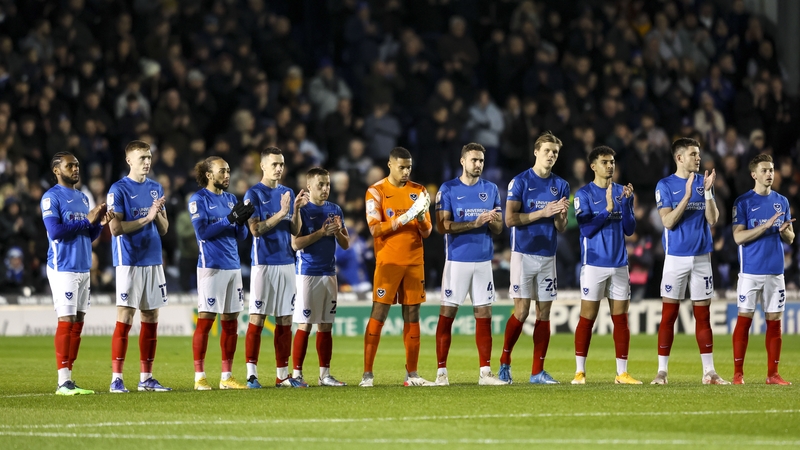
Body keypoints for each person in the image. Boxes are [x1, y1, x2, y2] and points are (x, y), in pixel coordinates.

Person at [652, 137, 729, 385]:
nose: (698, 158)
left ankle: (709, 372)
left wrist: (707, 192)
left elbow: (713, 219)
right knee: (669, 315)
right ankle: (661, 372)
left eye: (699, 154)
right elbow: (667, 222)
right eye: (693, 154)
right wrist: (686, 197)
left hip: (702, 257)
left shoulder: (703, 182)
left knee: (703, 315)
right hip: (675, 258)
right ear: (679, 157)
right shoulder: (664, 185)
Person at [499, 131, 570, 384]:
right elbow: (509, 220)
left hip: (547, 255)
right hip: (523, 254)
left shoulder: (561, 184)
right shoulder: (519, 182)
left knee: (544, 313)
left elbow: (561, 227)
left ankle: (537, 372)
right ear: (536, 152)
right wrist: (543, 212)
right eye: (548, 150)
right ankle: (504, 363)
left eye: (556, 152)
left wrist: (560, 215)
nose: (551, 155)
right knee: (521, 312)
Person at [433, 143, 507, 386]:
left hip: (483, 261)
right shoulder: (448, 189)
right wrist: (474, 223)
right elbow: (442, 227)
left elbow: (498, 228)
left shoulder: (491, 189)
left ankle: (485, 373)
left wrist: (491, 221)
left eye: (481, 161)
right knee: (448, 313)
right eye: (474, 160)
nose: (478, 165)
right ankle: (441, 373)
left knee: (484, 314)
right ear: (462, 161)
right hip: (457, 261)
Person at [42, 151, 114, 395]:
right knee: (66, 321)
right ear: (56, 170)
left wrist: (98, 225)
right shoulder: (51, 197)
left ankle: (69, 378)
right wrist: (87, 220)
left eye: (77, 165)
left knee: (78, 323)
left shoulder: (83, 198)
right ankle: (63, 381)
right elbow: (55, 232)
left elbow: (87, 235)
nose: (75, 169)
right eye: (69, 165)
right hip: (63, 267)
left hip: (83, 267)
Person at [360, 146, 433, 387]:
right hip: (388, 262)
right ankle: (367, 375)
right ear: (390, 165)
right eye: (401, 167)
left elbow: (427, 231)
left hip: (414, 262)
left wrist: (421, 217)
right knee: (379, 313)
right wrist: (405, 217)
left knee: (412, 315)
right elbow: (374, 228)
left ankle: (412, 374)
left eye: (409, 167)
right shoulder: (376, 191)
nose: (405, 172)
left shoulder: (419, 191)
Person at [572, 146, 641, 385]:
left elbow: (630, 230)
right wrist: (607, 210)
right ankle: (579, 372)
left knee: (621, 318)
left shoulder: (622, 191)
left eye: (612, 162)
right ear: (593, 166)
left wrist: (628, 205)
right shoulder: (584, 194)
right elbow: (586, 230)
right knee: (587, 317)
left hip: (620, 264)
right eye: (604, 162)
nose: (610, 166)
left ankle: (622, 373)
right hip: (594, 265)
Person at [107, 140, 171, 393]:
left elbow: (163, 229)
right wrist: (147, 217)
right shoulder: (118, 189)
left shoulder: (156, 188)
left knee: (151, 316)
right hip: (129, 261)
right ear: (129, 161)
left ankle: (146, 378)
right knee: (125, 317)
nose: (146, 162)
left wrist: (159, 214)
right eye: (141, 158)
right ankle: (116, 379)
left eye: (149, 157)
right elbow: (115, 229)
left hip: (153, 259)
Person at [243, 146, 309, 389]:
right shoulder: (253, 194)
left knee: (284, 319)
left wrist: (296, 210)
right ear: (262, 166)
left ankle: (282, 375)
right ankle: (252, 374)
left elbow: (294, 230)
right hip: (264, 264)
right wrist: (281, 212)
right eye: (274, 164)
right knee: (258, 318)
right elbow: (255, 229)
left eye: (281, 164)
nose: (279, 168)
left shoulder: (288, 192)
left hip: (286, 262)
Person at [190, 156, 255, 390]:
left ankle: (226, 377)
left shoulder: (230, 199)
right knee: (206, 321)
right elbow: (203, 233)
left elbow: (242, 237)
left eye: (228, 171)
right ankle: (200, 377)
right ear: (209, 175)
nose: (227, 175)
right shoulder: (198, 199)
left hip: (232, 267)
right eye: (222, 171)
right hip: (211, 268)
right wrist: (230, 219)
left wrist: (241, 222)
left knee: (230, 322)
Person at [731, 154, 795, 385]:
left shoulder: (782, 201)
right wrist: (766, 226)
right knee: (745, 319)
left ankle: (773, 375)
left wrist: (783, 231)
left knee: (774, 321)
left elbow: (790, 238)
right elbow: (738, 237)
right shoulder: (743, 202)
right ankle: (738, 374)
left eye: (772, 170)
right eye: (765, 170)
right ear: (754, 174)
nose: (770, 174)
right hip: (750, 271)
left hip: (776, 272)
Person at [291, 167, 349, 387]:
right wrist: (321, 233)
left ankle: (325, 375)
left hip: (329, 273)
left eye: (327, 184)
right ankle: (297, 374)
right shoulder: (302, 211)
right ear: (309, 187)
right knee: (305, 324)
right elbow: (295, 244)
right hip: (308, 273)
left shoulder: (335, 209)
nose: (325, 189)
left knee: (326, 325)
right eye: (320, 185)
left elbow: (345, 244)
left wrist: (337, 232)